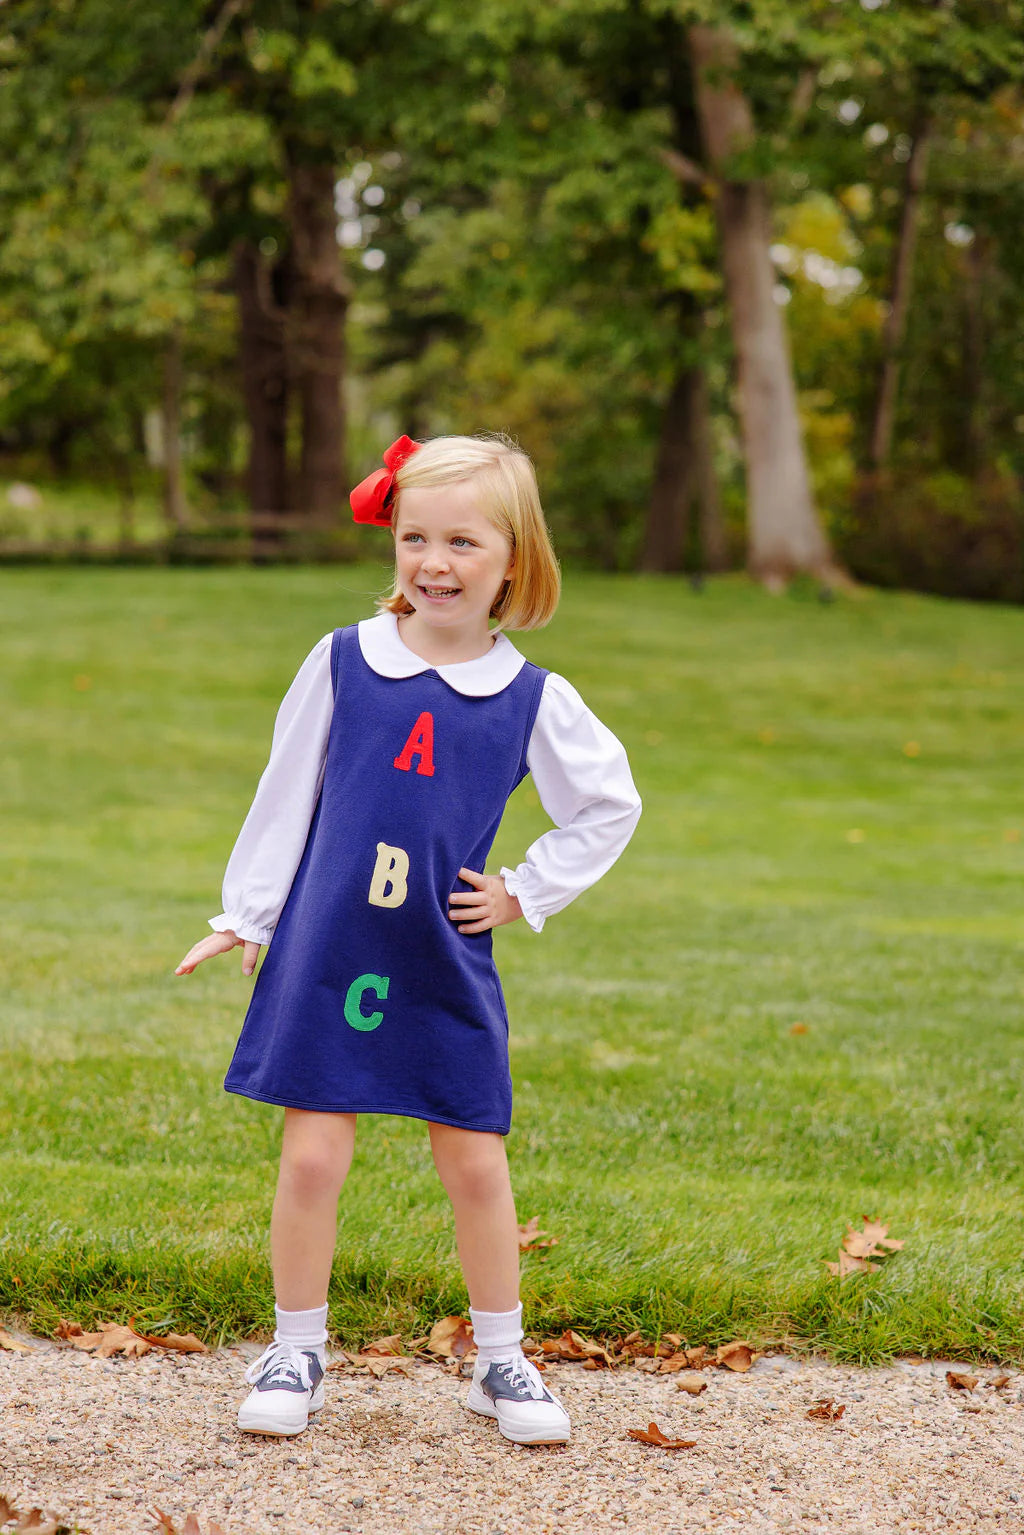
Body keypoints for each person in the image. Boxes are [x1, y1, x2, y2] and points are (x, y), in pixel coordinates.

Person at [175, 432, 641, 1445]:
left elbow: (609, 802)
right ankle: (294, 1345)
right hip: (331, 944)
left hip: (441, 957)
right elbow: (285, 790)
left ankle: (500, 1358)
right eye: (414, 536)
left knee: (475, 1161)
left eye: (464, 540)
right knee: (311, 1156)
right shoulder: (342, 659)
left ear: (513, 559)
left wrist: (523, 890)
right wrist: (246, 913)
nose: (434, 561)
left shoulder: (530, 699)